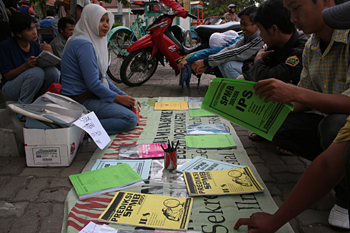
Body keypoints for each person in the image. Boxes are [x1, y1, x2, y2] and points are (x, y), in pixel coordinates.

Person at [234, 4, 350, 230]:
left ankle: (345, 197)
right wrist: (261, 112)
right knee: (275, 125)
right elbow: (301, 100)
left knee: (334, 126)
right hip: (326, 125)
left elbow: (302, 94)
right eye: (289, 10)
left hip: (336, 125)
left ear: (327, 3)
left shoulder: (305, 45)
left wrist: (294, 92)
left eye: (297, 7)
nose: (293, 17)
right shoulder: (312, 45)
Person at [60, 4, 138, 135]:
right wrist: (118, 98)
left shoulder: (91, 41)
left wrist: (124, 96)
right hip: (79, 100)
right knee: (130, 119)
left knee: (128, 107)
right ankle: (80, 130)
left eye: (107, 21)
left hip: (89, 95)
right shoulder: (84, 44)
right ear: (90, 20)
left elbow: (103, 77)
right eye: (101, 20)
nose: (106, 25)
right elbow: (94, 84)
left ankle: (89, 121)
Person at [240, 0, 307, 85]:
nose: (260, 35)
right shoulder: (271, 45)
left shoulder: (301, 50)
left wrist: (258, 60)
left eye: (260, 30)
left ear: (274, 29)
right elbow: (247, 65)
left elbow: (265, 78)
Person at [0, 12, 60, 104]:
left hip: (32, 85)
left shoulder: (35, 45)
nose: (34, 32)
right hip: (10, 87)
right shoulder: (6, 46)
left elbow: (45, 66)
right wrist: (25, 66)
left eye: (35, 27)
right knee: (36, 72)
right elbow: (8, 75)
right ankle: (23, 106)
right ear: (19, 34)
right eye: (29, 29)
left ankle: (43, 102)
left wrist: (49, 54)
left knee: (53, 72)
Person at [191, 6, 264, 79]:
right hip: (252, 69)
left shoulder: (261, 38)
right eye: (241, 24)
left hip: (263, 73)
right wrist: (208, 64)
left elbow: (238, 52)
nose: (242, 28)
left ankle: (240, 89)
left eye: (245, 24)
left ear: (257, 25)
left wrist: (206, 62)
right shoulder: (246, 37)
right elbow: (230, 49)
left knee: (229, 65)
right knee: (221, 62)